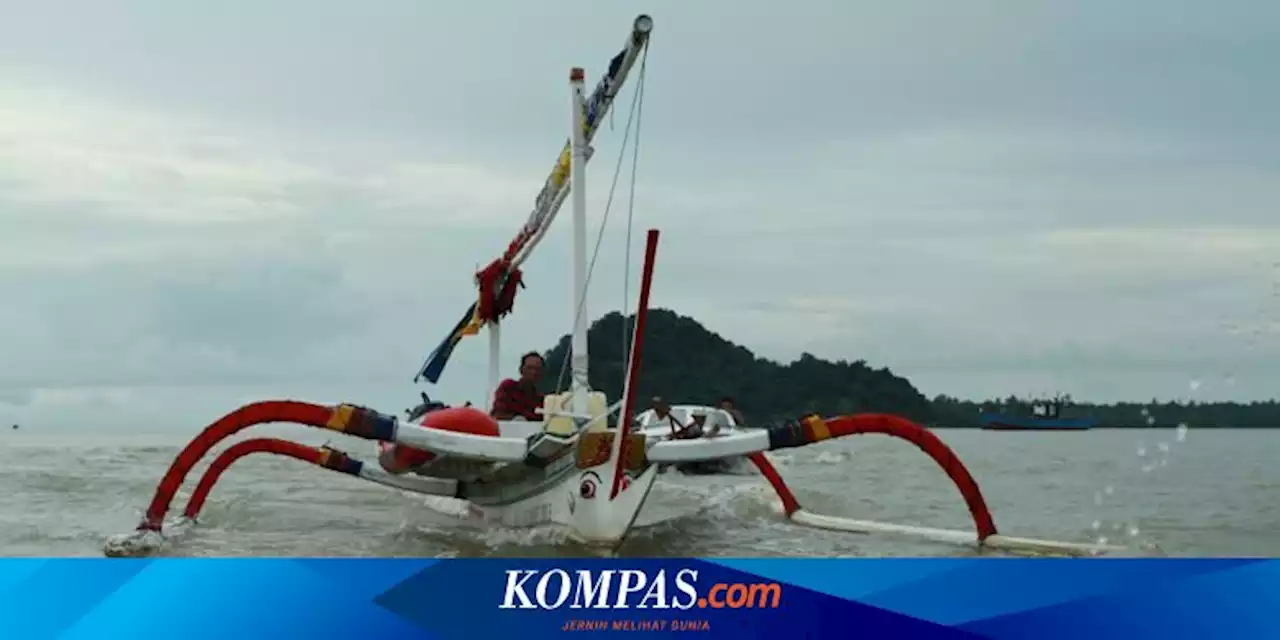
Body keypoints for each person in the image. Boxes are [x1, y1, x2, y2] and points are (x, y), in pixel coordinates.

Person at [491, 351, 547, 421]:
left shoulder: (541, 399)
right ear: (521, 370)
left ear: (542, 372)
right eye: (530, 368)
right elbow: (498, 414)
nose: (534, 372)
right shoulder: (508, 387)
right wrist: (518, 419)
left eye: (537, 369)